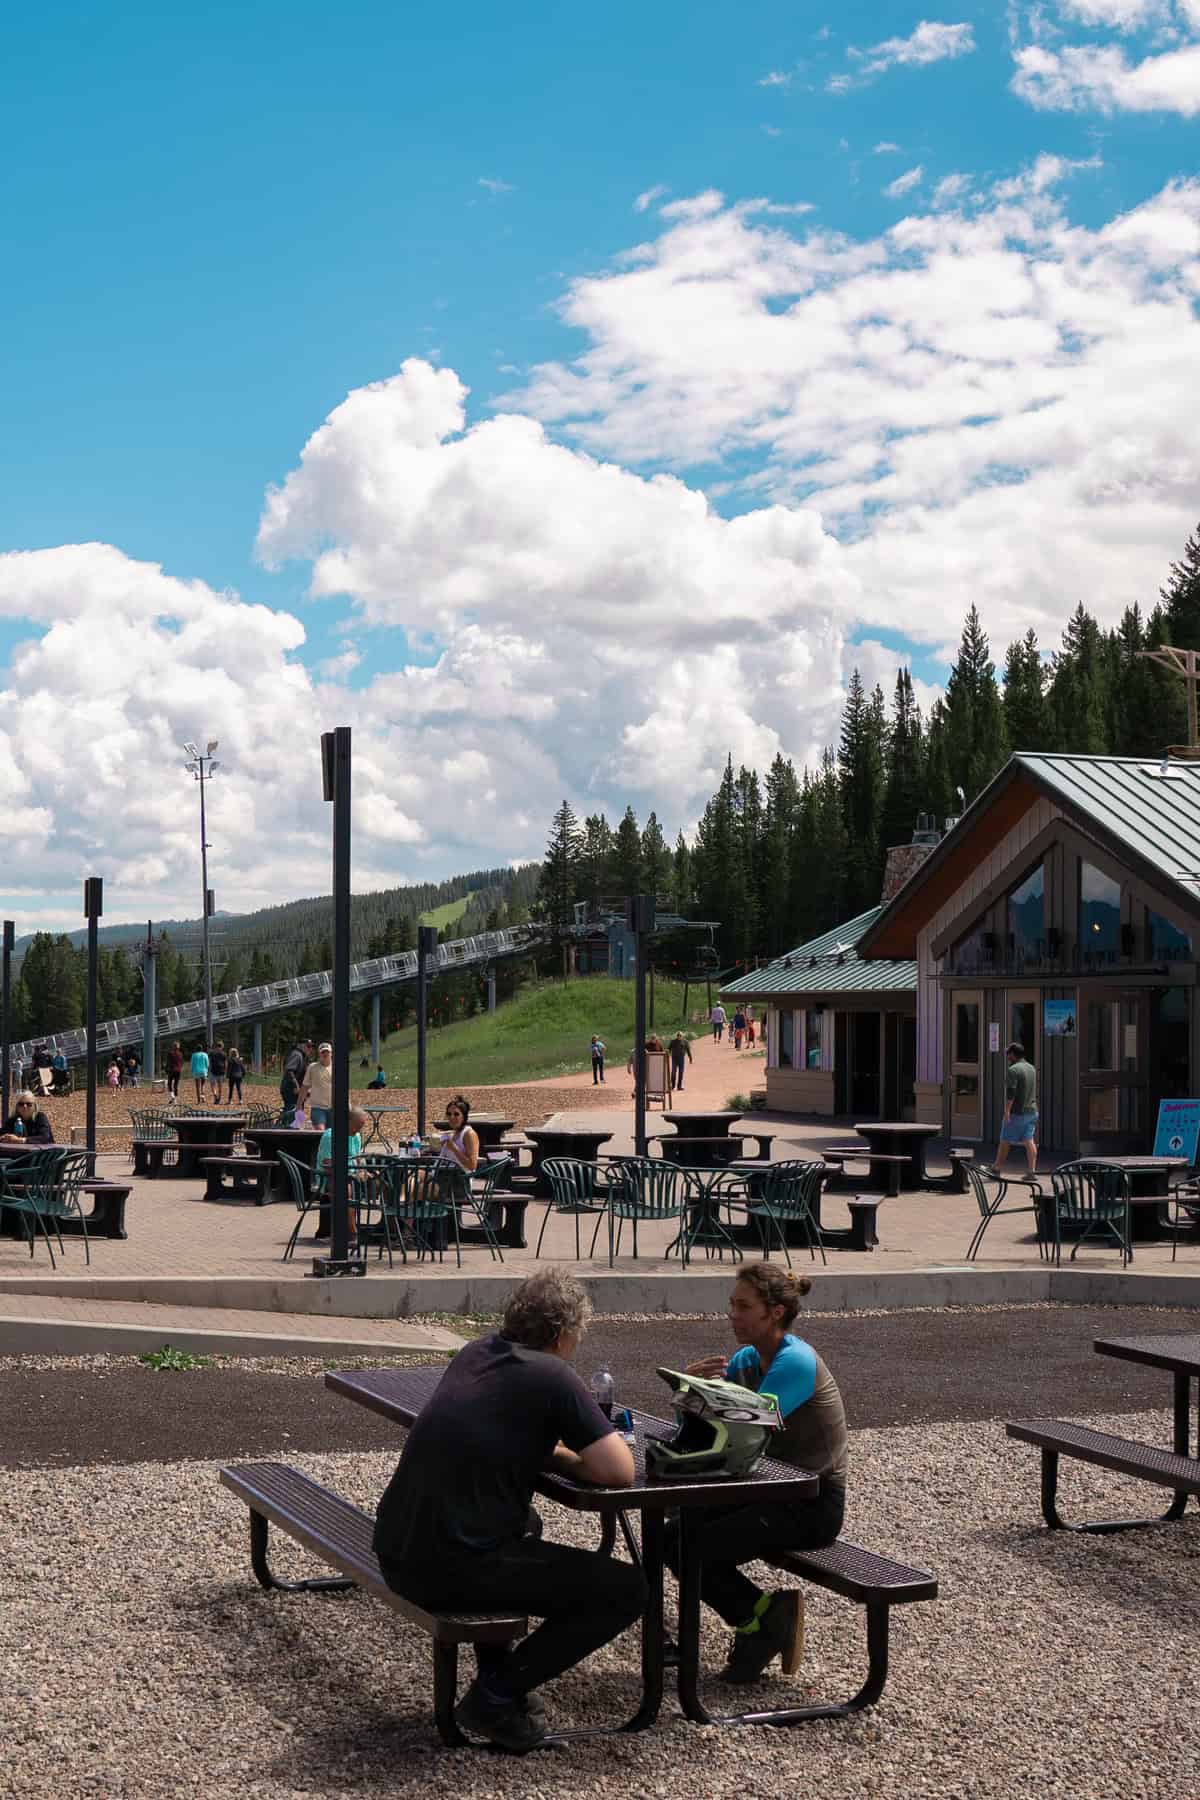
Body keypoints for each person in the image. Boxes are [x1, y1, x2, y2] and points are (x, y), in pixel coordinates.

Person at [373, 1268, 643, 1752]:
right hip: (447, 1568)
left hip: (398, 1547)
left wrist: (553, 1453)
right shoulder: (552, 1375)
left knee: (525, 1524)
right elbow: (619, 1470)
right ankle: (494, 1695)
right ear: (562, 1335)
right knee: (626, 1590)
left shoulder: (477, 1351)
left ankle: (501, 1678)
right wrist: (570, 1457)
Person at [665, 1261, 847, 1685]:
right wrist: (686, 1390)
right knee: (672, 1535)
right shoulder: (749, 1358)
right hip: (765, 1489)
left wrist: (695, 1396)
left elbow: (743, 1425)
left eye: (744, 1306)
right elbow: (710, 1426)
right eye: (731, 1304)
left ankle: (765, 1623)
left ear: (775, 1313)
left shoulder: (796, 1362)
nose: (732, 1314)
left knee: (693, 1547)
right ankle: (761, 1617)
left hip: (811, 1503)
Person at [314, 1104, 369, 1249]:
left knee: (385, 1183)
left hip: (351, 1174)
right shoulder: (330, 1136)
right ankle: (352, 1233)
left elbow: (358, 1158)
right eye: (357, 1126)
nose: (359, 1129)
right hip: (329, 1177)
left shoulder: (356, 1136)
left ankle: (392, 1232)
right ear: (348, 1121)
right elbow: (327, 1163)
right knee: (345, 1188)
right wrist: (351, 1169)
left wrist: (362, 1170)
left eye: (361, 1126)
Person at [993, 1041, 1038, 1174]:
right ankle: (1031, 1171)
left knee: (1005, 1140)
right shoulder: (1031, 1068)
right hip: (1032, 1111)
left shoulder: (1013, 1070)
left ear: (1013, 1054)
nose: (1007, 1056)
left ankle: (997, 1167)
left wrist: (1007, 1111)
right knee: (1029, 1140)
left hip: (1017, 1113)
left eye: (1008, 1053)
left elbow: (1011, 1093)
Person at [432, 1094, 479, 1199]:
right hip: (446, 1178)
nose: (452, 1117)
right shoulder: (453, 1134)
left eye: (456, 1114)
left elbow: (472, 1165)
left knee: (419, 1188)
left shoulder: (469, 1134)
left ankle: (402, 1206)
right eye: (449, 1114)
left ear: (464, 1116)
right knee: (412, 1176)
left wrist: (453, 1148)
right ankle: (402, 1202)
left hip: (459, 1183)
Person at [302, 1041, 333, 1129]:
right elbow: (305, 1087)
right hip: (317, 1108)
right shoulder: (312, 1067)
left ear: (331, 1053)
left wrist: (348, 1105)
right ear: (319, 1054)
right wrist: (299, 1105)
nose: (325, 1054)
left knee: (332, 1134)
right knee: (320, 1131)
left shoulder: (337, 1068)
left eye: (327, 1052)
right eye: (323, 1052)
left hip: (333, 1108)